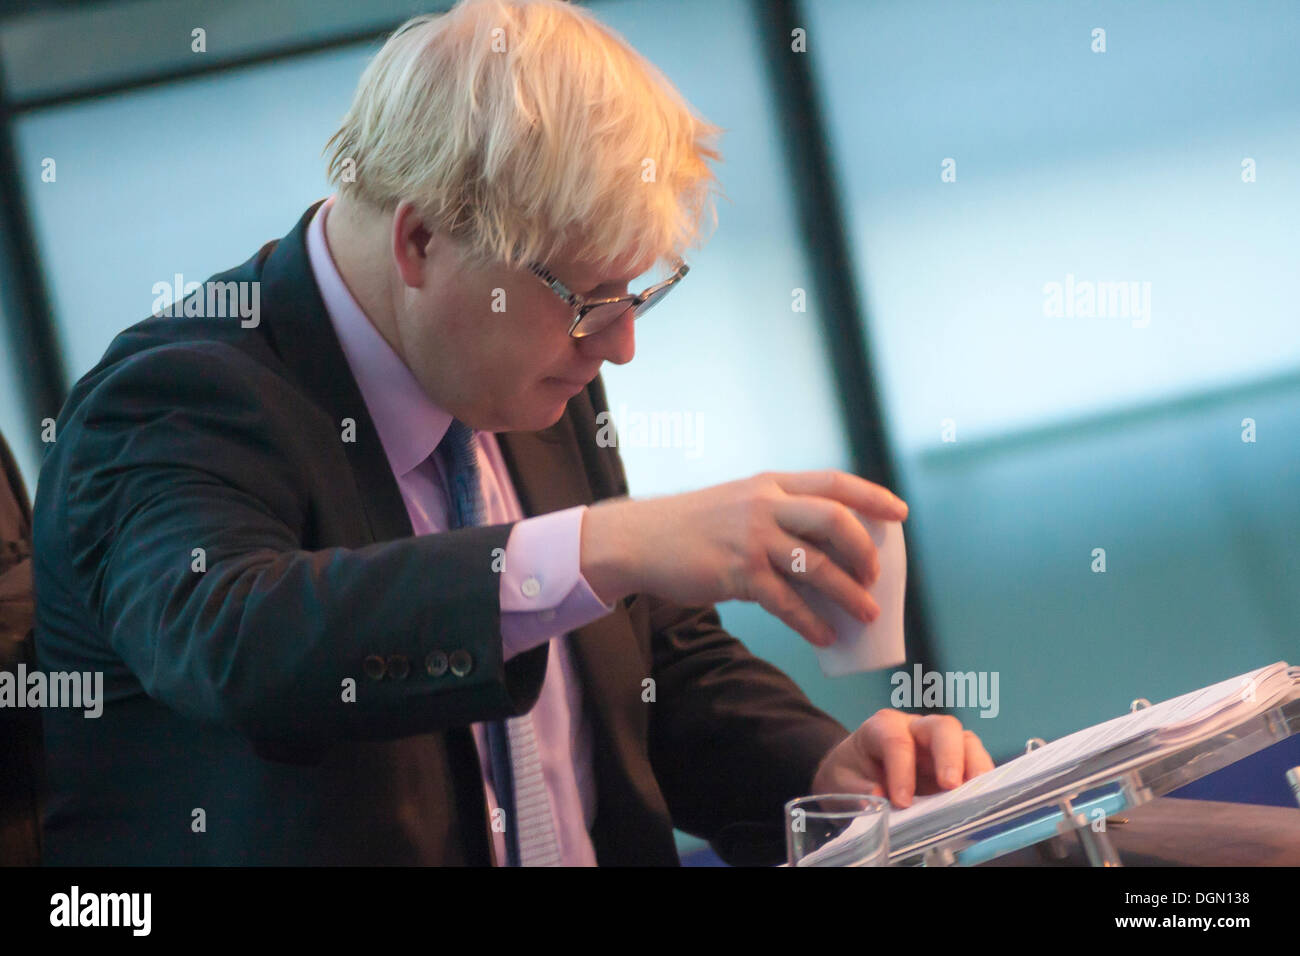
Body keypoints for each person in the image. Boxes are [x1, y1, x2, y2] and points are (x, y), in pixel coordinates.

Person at [33, 0, 992, 866]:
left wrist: (825, 773)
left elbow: (645, 667)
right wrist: (607, 544)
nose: (619, 345)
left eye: (637, 296)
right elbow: (239, 641)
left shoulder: (523, 359)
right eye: (588, 298)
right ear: (420, 241)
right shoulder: (177, 395)